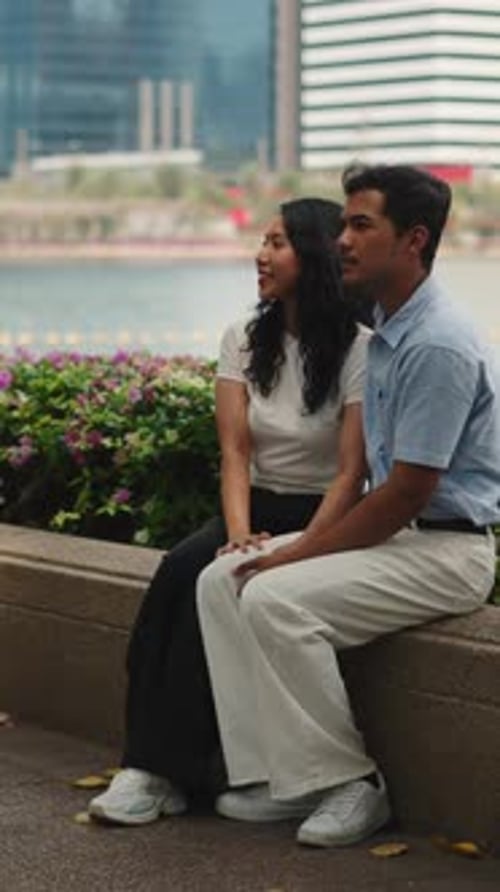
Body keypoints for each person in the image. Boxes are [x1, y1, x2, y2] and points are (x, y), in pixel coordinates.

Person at [196, 163, 500, 849]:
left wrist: (298, 553)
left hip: (447, 551)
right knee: (219, 579)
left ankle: (349, 783)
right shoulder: (391, 327)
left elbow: (405, 494)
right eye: (343, 225)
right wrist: (271, 549)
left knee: (275, 599)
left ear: (413, 240)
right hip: (403, 540)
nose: (341, 241)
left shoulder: (438, 342)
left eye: (361, 225)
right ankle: (281, 776)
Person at [88, 196, 372, 825]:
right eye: (261, 242)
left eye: (277, 243)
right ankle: (153, 772)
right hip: (257, 508)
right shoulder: (243, 336)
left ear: (316, 253)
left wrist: (301, 546)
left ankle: (207, 771)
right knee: (178, 576)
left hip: (324, 515)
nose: (260, 255)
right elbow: (235, 451)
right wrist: (240, 535)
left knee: (226, 584)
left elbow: (352, 472)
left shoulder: (361, 347)